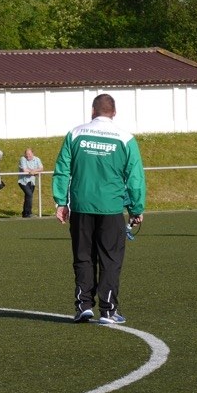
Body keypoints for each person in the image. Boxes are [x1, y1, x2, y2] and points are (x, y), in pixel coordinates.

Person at [53, 94, 145, 325]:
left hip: (81, 207)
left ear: (92, 111)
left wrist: (61, 202)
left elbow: (62, 169)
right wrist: (136, 208)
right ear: (114, 113)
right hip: (111, 208)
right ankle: (108, 310)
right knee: (110, 259)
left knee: (83, 257)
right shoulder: (125, 139)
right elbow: (135, 178)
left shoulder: (75, 133)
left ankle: (83, 306)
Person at [18, 148, 44, 218]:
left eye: (29, 154)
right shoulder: (22, 159)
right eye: (26, 154)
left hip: (32, 181)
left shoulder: (37, 159)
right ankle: (29, 212)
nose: (28, 156)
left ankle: (24, 213)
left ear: (33, 153)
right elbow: (24, 169)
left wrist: (34, 170)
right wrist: (31, 172)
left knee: (28, 196)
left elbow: (41, 168)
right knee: (29, 195)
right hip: (23, 181)